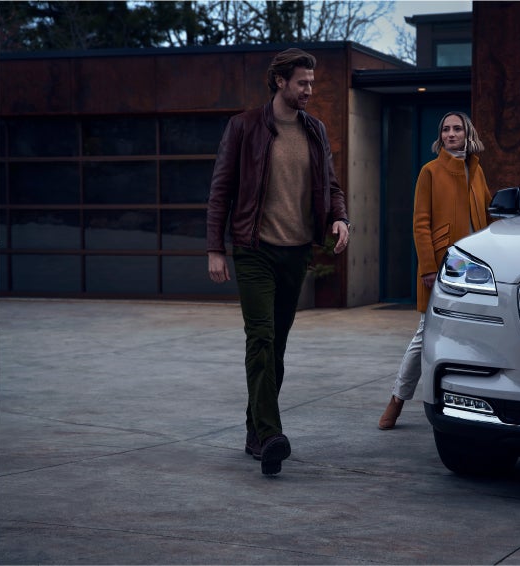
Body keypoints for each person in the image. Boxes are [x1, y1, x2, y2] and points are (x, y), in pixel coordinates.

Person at [207, 48, 350, 475]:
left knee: (278, 345)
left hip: (296, 250)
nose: (309, 90)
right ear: (280, 81)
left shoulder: (316, 130)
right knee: (262, 338)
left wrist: (340, 218)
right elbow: (221, 190)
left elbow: (331, 184)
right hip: (254, 248)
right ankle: (272, 435)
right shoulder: (245, 127)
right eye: (302, 82)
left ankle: (255, 431)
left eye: (311, 83)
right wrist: (215, 248)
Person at [378, 111, 492, 430]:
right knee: (425, 332)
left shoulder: (476, 171)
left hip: (478, 265)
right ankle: (397, 400)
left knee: (481, 334)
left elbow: (487, 214)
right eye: (445, 129)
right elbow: (420, 223)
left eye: (457, 129)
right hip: (445, 262)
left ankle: (473, 401)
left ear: (468, 133)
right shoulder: (430, 171)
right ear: (440, 136)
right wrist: (428, 266)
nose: (451, 134)